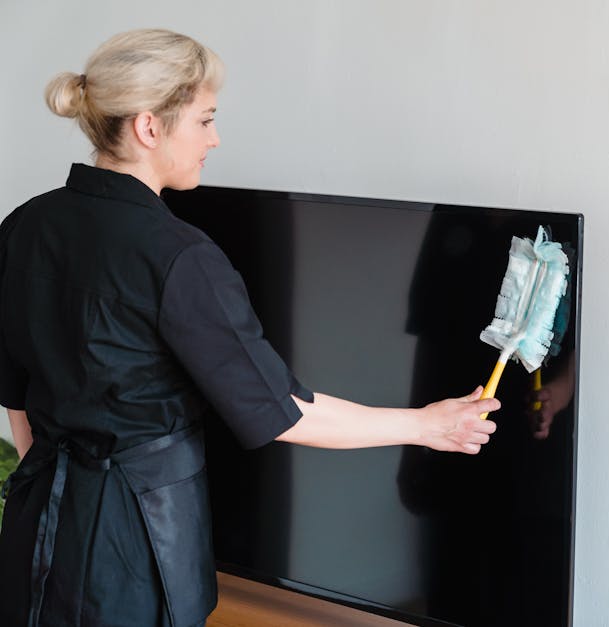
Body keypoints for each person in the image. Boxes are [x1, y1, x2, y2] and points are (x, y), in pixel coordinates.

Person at [0, 29, 498, 627]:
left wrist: (55, 495)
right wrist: (425, 425)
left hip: (35, 528)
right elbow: (283, 409)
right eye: (204, 120)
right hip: (135, 546)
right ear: (149, 127)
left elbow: (17, 396)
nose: (214, 139)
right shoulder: (179, 257)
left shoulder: (24, 223)